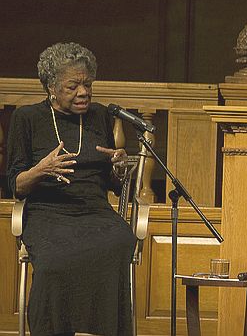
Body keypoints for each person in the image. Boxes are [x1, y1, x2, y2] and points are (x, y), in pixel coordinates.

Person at [7, 42, 136, 336]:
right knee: (54, 261)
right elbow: (15, 185)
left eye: (87, 84)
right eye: (73, 86)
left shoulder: (101, 115)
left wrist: (119, 168)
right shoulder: (26, 118)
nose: (83, 92)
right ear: (51, 87)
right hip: (48, 213)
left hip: (95, 212)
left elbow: (114, 184)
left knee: (120, 240)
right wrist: (40, 170)